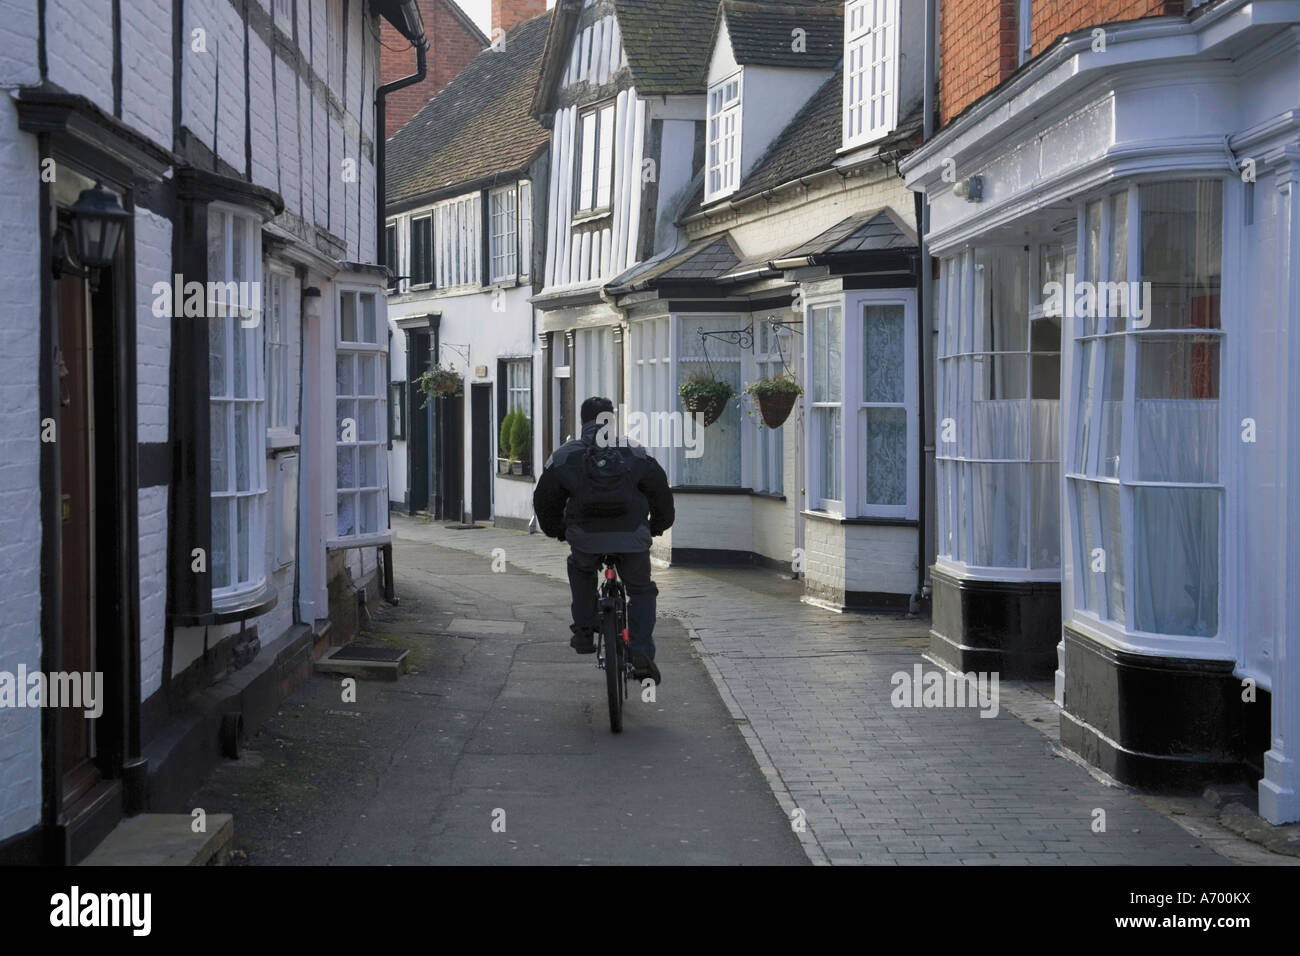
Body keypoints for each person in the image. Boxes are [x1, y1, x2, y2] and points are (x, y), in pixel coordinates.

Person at [533, 397, 675, 685]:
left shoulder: (565, 455)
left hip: (585, 538)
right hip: (631, 538)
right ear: (612, 419)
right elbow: (661, 492)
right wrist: (656, 527)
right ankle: (641, 652)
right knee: (641, 590)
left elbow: (544, 499)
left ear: (582, 421)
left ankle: (584, 631)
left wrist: (557, 530)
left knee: (581, 568)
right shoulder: (635, 452)